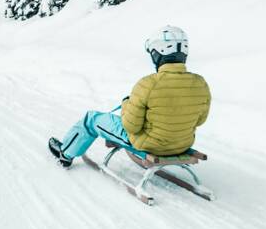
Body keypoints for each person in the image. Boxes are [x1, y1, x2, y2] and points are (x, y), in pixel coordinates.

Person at [48, 26, 211, 168]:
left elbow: (131, 127)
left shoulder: (148, 84)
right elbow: (200, 121)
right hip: (182, 144)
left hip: (149, 145)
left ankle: (65, 154)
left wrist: (127, 105)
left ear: (158, 53)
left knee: (91, 118)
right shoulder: (201, 83)